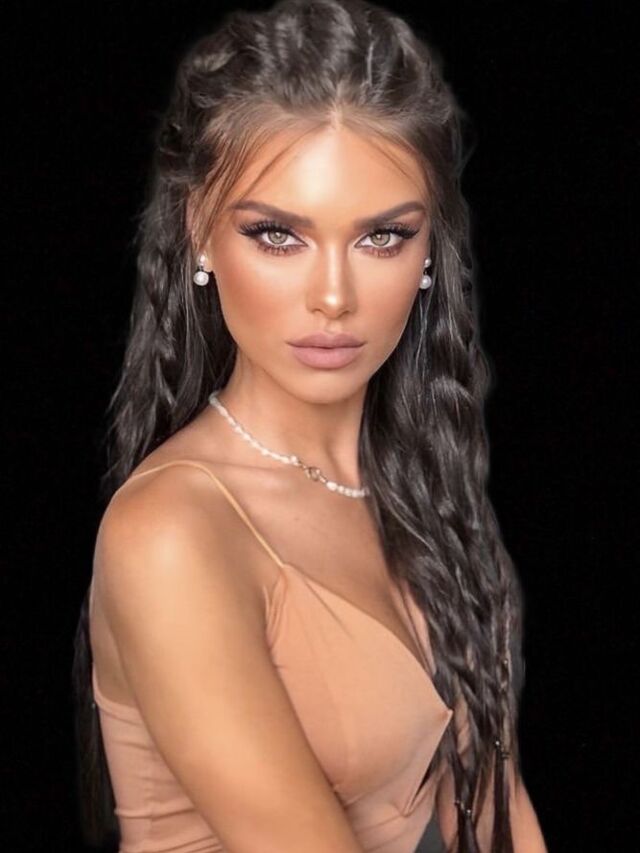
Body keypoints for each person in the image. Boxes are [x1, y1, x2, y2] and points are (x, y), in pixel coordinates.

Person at [71, 1, 548, 851]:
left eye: (383, 237)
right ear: (199, 230)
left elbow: (494, 807)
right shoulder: (172, 532)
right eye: (278, 235)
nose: (334, 296)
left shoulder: (413, 485)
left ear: (429, 249)